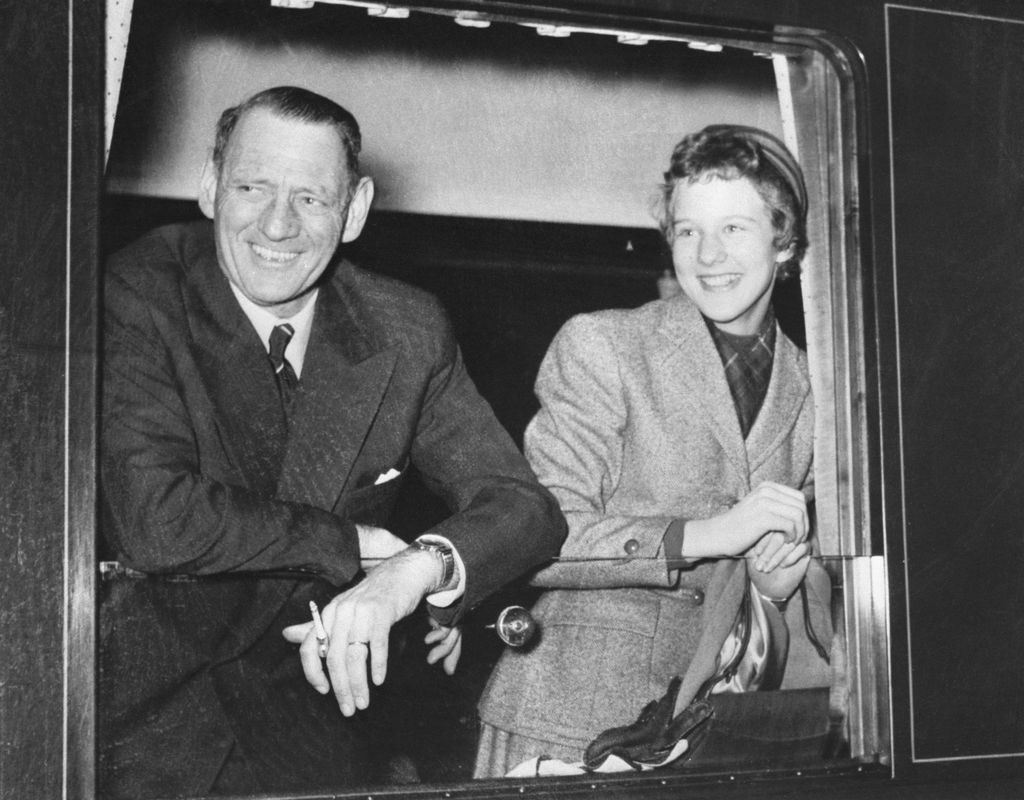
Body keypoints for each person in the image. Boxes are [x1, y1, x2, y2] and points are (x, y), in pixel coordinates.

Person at [98, 85, 565, 799]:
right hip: (138, 729)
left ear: (355, 211)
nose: (277, 225)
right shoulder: (136, 292)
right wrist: (359, 546)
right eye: (252, 186)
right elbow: (159, 518)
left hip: (311, 727)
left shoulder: (405, 327)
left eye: (312, 199)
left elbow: (524, 507)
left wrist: (411, 576)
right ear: (208, 185)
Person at [474, 124, 833, 776]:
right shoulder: (604, 346)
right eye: (688, 230)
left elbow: (806, 611)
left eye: (734, 229)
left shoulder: (820, 393)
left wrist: (777, 592)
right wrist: (707, 534)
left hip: (715, 736)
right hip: (568, 721)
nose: (707, 254)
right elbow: (535, 536)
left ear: (786, 244)